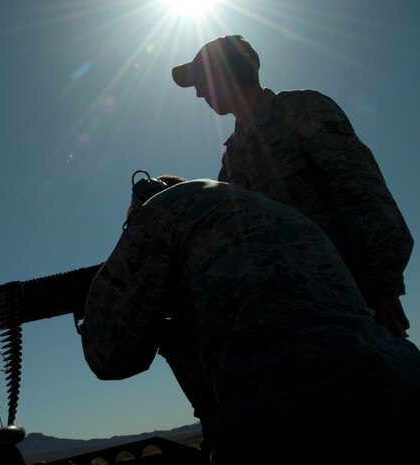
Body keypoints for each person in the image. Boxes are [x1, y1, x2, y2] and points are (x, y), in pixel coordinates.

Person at [80, 176, 420, 464]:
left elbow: (109, 356)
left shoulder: (160, 209)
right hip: (405, 384)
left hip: (285, 418)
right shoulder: (271, 209)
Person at [171, 35, 413, 337]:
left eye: (202, 79)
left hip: (354, 304)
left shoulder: (302, 110)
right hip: (289, 317)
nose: (198, 93)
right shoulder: (232, 156)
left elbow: (365, 194)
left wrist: (381, 286)